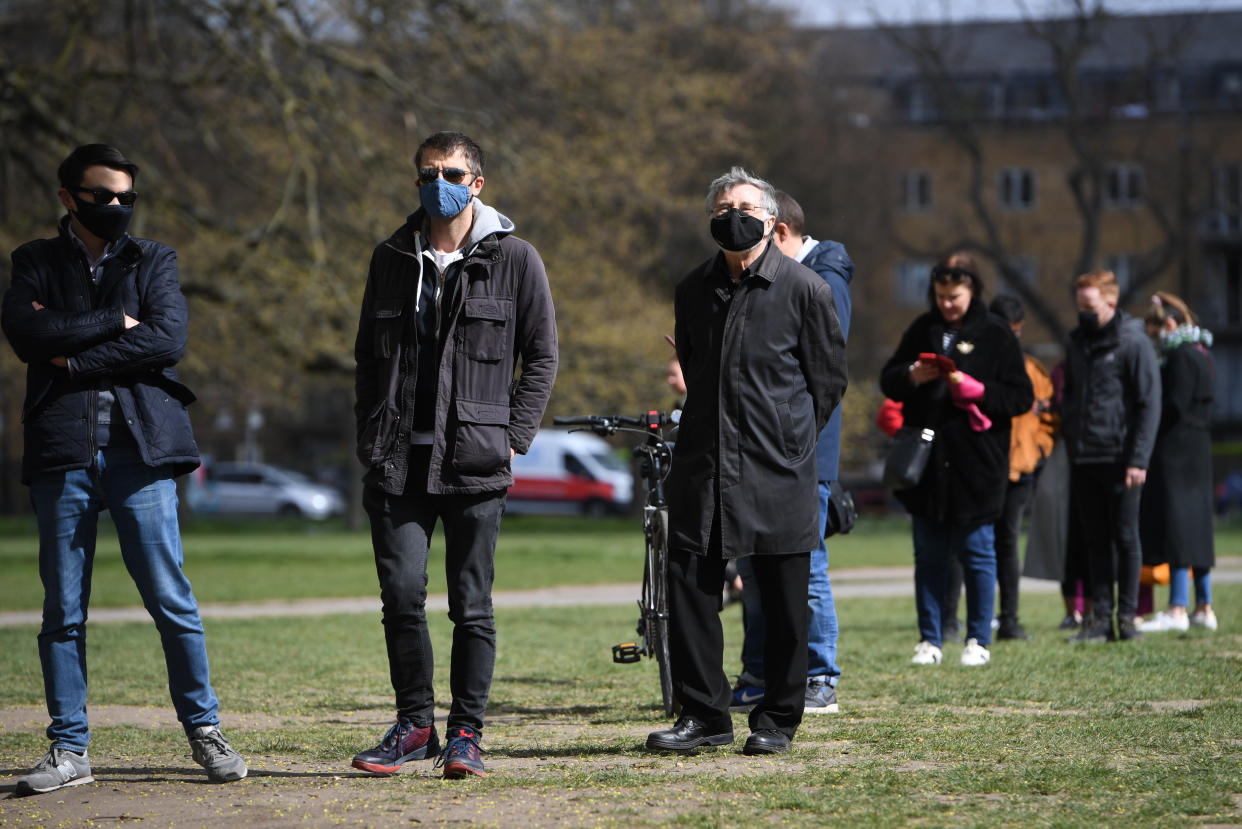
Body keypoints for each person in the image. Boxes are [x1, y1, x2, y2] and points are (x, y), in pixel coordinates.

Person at [1, 144, 247, 796]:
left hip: (143, 452)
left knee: (171, 599)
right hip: (62, 452)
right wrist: (114, 320)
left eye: (124, 197)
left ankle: (205, 730)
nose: (115, 207)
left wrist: (76, 360)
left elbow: (167, 339)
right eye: (101, 195)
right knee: (62, 609)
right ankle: (68, 747)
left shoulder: (154, 258)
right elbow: (27, 335)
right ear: (67, 198)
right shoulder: (34, 260)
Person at [351, 131, 558, 779]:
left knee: (472, 604)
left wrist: (512, 435)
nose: (437, 181)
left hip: (475, 462)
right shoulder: (391, 256)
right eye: (426, 172)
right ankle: (415, 724)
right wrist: (370, 432)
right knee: (401, 594)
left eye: (451, 171)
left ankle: (467, 732)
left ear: (478, 183)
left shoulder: (516, 259)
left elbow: (543, 355)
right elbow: (365, 356)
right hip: (397, 464)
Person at [647, 167, 846, 756]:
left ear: (769, 218)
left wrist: (791, 437)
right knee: (689, 585)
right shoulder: (691, 289)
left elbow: (828, 380)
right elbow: (697, 369)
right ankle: (704, 716)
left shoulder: (805, 288)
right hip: (704, 459)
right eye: (721, 208)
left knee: (785, 595)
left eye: (744, 206)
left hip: (777, 461)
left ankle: (778, 719)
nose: (733, 216)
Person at [729, 190, 853, 716]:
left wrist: (797, 435)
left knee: (808, 565)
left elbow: (826, 369)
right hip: (754, 448)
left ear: (778, 232)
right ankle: (760, 671)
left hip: (804, 452)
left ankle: (820, 674)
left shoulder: (823, 279)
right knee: (754, 567)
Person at [879, 253, 1033, 667]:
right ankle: (930, 638)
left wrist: (979, 391)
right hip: (926, 465)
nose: (947, 303)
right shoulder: (922, 329)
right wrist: (911, 376)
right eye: (941, 295)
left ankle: (977, 639)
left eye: (956, 295)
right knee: (927, 555)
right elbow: (888, 379)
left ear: (973, 291)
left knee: (978, 553)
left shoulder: (997, 334)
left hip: (978, 466)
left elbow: (1021, 397)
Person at [1061, 270, 1161, 643]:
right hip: (1085, 457)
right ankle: (1100, 619)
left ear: (1111, 302)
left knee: (1125, 535)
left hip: (1121, 459)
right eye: (1080, 306)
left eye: (1090, 306)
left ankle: (1128, 619)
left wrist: (1139, 459)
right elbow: (1070, 395)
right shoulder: (1076, 343)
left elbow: (1149, 404)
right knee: (1095, 539)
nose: (1083, 313)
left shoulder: (1133, 343)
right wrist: (1071, 438)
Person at [1137, 292, 1217, 633]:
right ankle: (1204, 606)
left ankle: (1177, 608)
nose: (1155, 339)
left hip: (1175, 452)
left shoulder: (1180, 357)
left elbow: (1174, 405)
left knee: (1178, 529)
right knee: (1197, 529)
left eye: (1155, 330)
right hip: (1197, 449)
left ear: (1169, 324)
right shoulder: (1203, 352)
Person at [987, 294, 1058, 641]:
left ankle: (1009, 619)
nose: (1012, 337)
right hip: (986, 467)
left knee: (1007, 542)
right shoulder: (982, 363)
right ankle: (974, 619)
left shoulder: (1031, 369)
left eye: (1015, 330)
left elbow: (1048, 417)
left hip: (1020, 469)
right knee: (977, 544)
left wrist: (1038, 450)